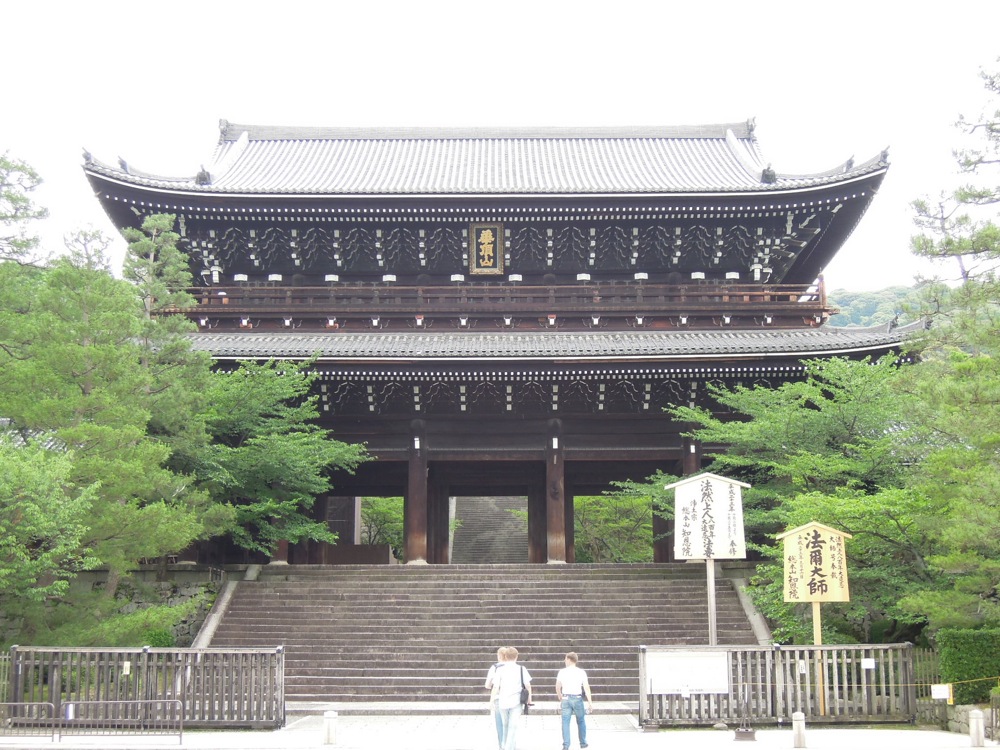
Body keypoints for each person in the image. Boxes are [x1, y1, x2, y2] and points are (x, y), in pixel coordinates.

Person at [494, 646, 531, 750]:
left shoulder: (499, 669)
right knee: (512, 726)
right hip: (516, 701)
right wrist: (529, 699)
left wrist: (492, 700)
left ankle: (505, 747)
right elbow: (528, 685)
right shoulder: (521, 669)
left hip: (503, 701)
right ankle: (507, 747)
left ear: (505, 656)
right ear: (517, 657)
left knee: (506, 726)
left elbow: (496, 686)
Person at [555, 651, 592, 750]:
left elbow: (558, 686)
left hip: (566, 698)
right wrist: (590, 702)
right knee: (581, 720)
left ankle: (566, 745)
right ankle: (583, 742)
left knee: (565, 722)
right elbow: (586, 688)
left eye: (565, 659)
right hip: (577, 698)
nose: (564, 661)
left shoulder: (562, 672)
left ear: (569, 659)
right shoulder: (581, 672)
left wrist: (560, 696)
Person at [484, 647, 508, 750]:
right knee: (511, 725)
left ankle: (502, 746)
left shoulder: (495, 667)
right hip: (513, 698)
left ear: (499, 656)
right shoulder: (516, 667)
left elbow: (487, 685)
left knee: (500, 724)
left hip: (499, 697)